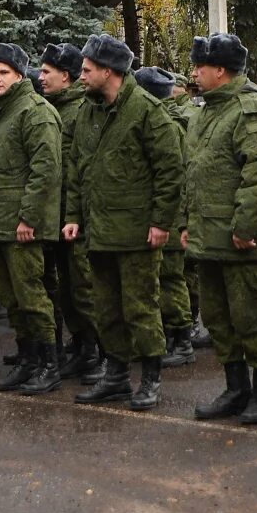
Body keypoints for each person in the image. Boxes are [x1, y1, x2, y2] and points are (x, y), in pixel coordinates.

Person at [67, 34, 184, 410]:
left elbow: (170, 170)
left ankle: (150, 377)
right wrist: (73, 216)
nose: (80, 76)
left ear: (108, 71)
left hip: (137, 233)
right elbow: (76, 168)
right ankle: (116, 375)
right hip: (98, 231)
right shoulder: (88, 112)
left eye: (86, 70)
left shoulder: (148, 111)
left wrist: (161, 222)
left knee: (140, 307)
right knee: (106, 308)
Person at [186, 33, 257, 425]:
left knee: (250, 318)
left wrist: (244, 226)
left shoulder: (251, 111)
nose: (194, 73)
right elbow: (195, 175)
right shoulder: (206, 112)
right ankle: (236, 388)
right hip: (208, 238)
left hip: (242, 241)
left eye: (200, 66)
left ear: (221, 71)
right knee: (218, 318)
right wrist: (188, 226)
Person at [0, 42, 65, 394]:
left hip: (22, 227)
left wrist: (29, 217)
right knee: (12, 299)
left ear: (19, 74)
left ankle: (48, 364)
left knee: (32, 297)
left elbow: (45, 171)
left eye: (3, 73)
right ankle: (27, 360)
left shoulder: (34, 111)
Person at [39, 42, 103, 380]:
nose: (41, 77)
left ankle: (101, 352)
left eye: (47, 72)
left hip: (80, 216)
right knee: (66, 287)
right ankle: (81, 347)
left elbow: (84, 167)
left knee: (86, 286)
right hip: (58, 215)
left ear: (67, 76)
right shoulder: (53, 109)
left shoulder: (82, 110)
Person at [135, 64, 198, 367]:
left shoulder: (168, 125)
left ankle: (182, 339)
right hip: (164, 213)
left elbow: (175, 175)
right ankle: (173, 336)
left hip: (170, 215)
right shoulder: (163, 120)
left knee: (171, 278)